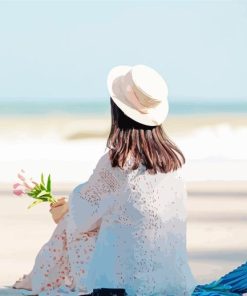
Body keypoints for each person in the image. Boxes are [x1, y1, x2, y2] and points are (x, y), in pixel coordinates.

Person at [12, 64, 247, 296]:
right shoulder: (172, 163)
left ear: (117, 110)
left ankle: (39, 280)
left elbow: (82, 218)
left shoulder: (118, 163)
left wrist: (67, 208)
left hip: (125, 289)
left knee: (72, 224)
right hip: (177, 284)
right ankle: (38, 278)